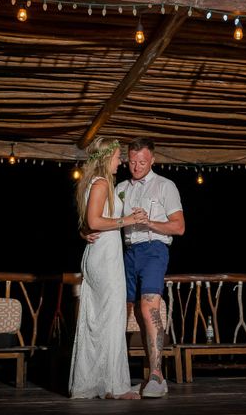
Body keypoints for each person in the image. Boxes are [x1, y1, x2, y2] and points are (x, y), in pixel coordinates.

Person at [68, 137, 147, 400]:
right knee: (112, 319)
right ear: (105, 159)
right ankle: (116, 385)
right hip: (104, 258)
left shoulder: (99, 183)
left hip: (102, 252)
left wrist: (84, 231)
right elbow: (93, 219)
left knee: (101, 320)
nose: (121, 161)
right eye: (117, 157)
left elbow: (89, 223)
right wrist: (127, 220)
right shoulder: (101, 182)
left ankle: (102, 382)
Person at [116, 137, 185, 398]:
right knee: (130, 313)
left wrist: (150, 223)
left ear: (152, 160)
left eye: (142, 162)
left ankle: (157, 375)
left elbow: (179, 227)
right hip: (127, 252)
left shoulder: (165, 186)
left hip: (154, 250)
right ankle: (140, 376)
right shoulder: (121, 187)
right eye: (132, 162)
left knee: (149, 307)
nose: (136, 167)